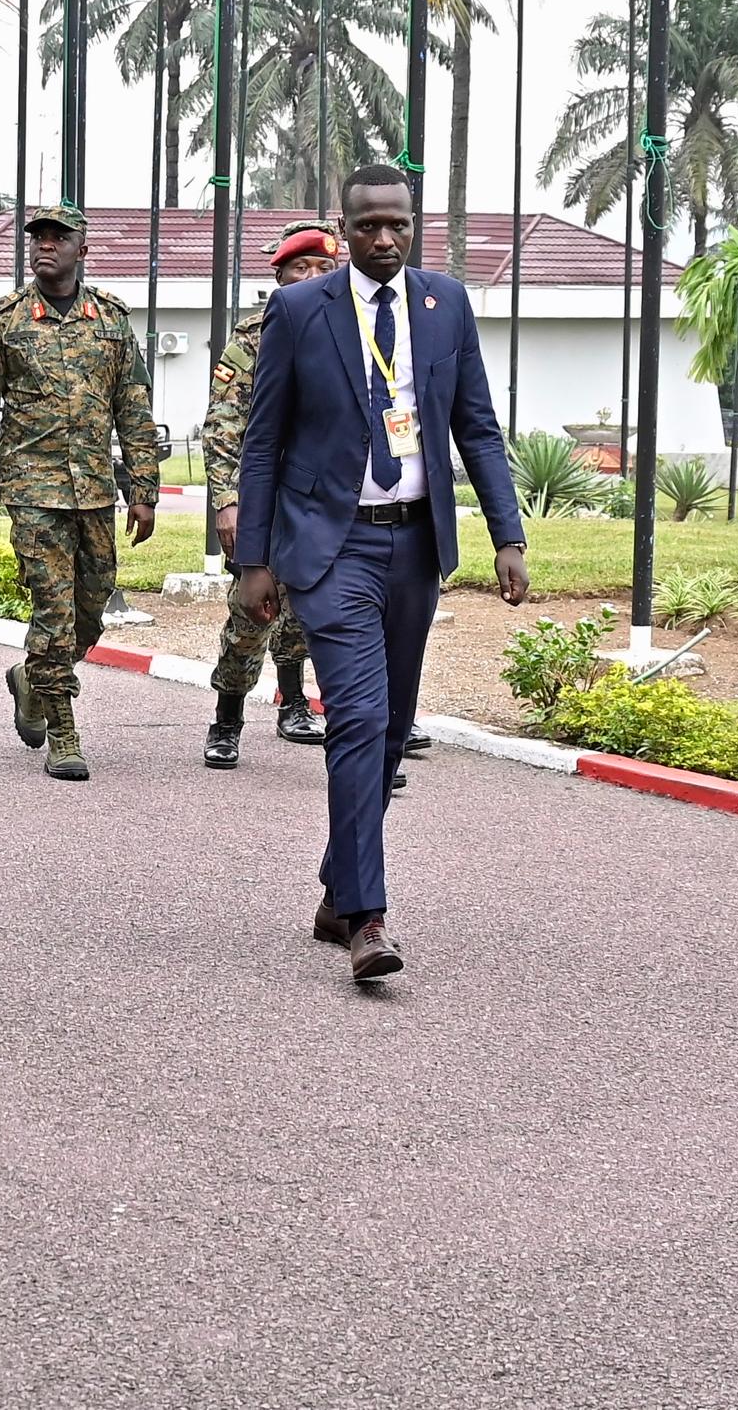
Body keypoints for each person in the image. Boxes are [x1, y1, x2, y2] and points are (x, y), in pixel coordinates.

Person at [235, 163, 528, 983]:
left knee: (392, 728)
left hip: (415, 545)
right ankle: (367, 918)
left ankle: (336, 889)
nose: (385, 238)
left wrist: (508, 535)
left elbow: (477, 425)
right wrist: (254, 559)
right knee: (359, 719)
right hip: (333, 548)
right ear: (344, 227)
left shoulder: (446, 306)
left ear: (413, 222)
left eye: (398, 223)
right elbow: (264, 442)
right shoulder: (298, 310)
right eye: (368, 226)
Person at [0, 206, 161, 780]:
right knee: (53, 610)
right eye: (38, 238)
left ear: (82, 249)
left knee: (90, 614)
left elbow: (133, 408)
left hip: (96, 489)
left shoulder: (112, 320)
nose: (46, 246)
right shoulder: (3, 322)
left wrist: (143, 487)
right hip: (33, 490)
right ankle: (63, 730)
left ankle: (31, 679)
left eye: (59, 238)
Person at [202, 219, 337, 769]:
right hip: (264, 497)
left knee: (309, 614)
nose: (309, 277)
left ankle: (294, 705)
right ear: (278, 275)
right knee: (251, 613)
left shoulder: (355, 329)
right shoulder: (253, 337)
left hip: (324, 499)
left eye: (322, 268)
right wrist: (228, 501)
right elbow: (224, 424)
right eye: (298, 268)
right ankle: (227, 718)